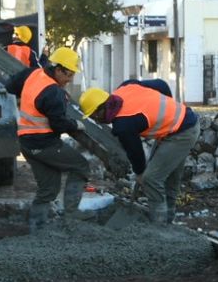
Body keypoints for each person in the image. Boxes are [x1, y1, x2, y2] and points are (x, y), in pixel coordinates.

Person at [79, 78, 199, 225]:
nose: (96, 121)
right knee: (168, 177)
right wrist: (169, 111)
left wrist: (140, 174)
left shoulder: (123, 125)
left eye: (94, 116)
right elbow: (161, 85)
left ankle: (159, 226)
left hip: (183, 133)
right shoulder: (125, 87)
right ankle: (168, 222)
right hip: (179, 124)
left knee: (152, 179)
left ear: (100, 110)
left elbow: (135, 152)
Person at [7, 46, 89, 232]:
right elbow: (59, 125)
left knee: (48, 189)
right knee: (81, 166)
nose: (70, 80)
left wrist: (24, 99)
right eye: (68, 74)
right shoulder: (53, 92)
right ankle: (71, 213)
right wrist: (75, 125)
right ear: (58, 69)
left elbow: (9, 85)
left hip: (26, 143)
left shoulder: (33, 74)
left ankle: (37, 230)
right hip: (44, 143)